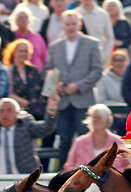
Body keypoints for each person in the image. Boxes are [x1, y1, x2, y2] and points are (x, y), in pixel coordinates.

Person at [45, 10, 104, 165]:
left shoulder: (92, 43)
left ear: (80, 24)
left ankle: (89, 173)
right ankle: (64, 176)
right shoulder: (55, 46)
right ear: (62, 26)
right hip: (63, 101)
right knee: (64, 141)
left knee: (86, 139)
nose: (70, 27)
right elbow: (49, 70)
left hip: (83, 100)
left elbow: (97, 70)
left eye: (73, 24)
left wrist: (78, 86)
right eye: (67, 24)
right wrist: (56, 84)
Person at [64, 103, 126, 169]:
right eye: (93, 117)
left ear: (107, 120)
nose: (95, 120)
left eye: (99, 117)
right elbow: (69, 166)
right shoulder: (79, 142)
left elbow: (127, 166)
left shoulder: (118, 142)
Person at [3, 38, 45, 120]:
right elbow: (8, 92)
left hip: (36, 112)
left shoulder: (33, 70)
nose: (23, 54)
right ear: (14, 52)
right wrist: (25, 103)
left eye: (26, 51)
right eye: (20, 51)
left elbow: (41, 88)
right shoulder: (8, 71)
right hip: (16, 112)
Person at [95, 48, 128, 133]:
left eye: (121, 60)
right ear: (111, 62)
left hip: (130, 113)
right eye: (115, 60)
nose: (119, 63)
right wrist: (118, 111)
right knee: (121, 124)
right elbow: (101, 100)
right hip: (113, 115)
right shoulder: (104, 78)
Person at [10, 4, 47, 72]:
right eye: (20, 17)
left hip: (37, 74)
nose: (23, 20)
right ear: (15, 20)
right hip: (17, 75)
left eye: (25, 17)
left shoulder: (37, 37)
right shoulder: (11, 36)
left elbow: (45, 58)